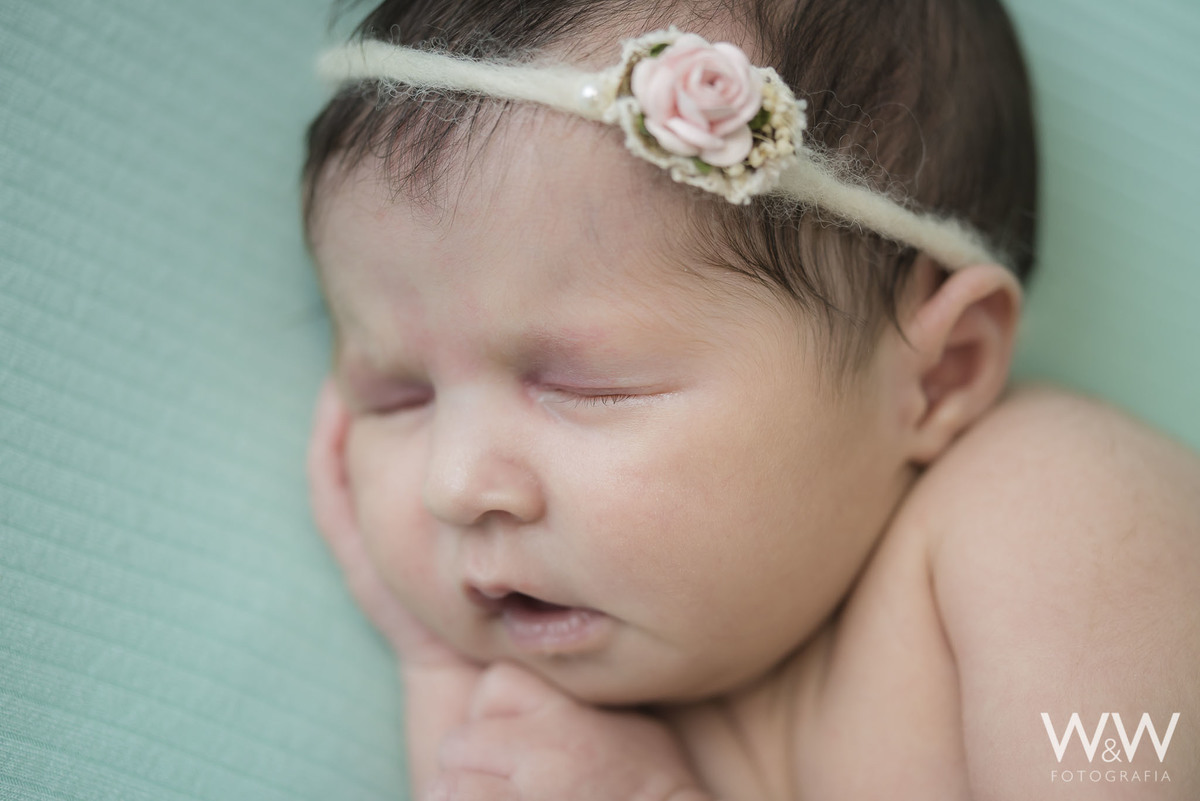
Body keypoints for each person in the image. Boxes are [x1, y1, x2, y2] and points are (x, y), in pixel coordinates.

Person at [301, 0, 1200, 797]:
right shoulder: (591, 712)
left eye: (587, 385)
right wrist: (443, 677)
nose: (454, 485)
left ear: (938, 374)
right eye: (397, 396)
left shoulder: (1059, 512)